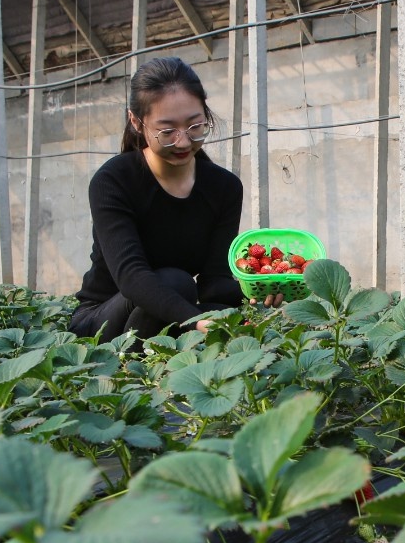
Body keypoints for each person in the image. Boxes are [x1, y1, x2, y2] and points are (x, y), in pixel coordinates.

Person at [69, 56, 276, 340]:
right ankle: (135, 368)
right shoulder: (113, 181)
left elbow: (213, 284)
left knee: (222, 310)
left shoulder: (224, 187)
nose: (183, 141)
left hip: (172, 310)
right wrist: (197, 321)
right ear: (136, 122)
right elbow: (131, 277)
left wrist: (262, 288)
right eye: (167, 131)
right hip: (105, 321)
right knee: (176, 282)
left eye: (195, 126)